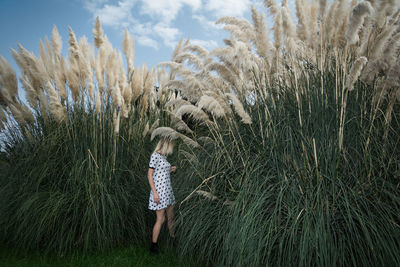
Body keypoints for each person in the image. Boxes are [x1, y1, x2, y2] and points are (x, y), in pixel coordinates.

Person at [147, 137, 177, 254]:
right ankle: (153, 246)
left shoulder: (163, 156)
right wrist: (154, 193)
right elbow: (149, 175)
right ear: (166, 145)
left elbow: (160, 172)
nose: (171, 149)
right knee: (161, 219)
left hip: (168, 191)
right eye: (170, 146)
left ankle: (173, 239)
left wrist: (170, 169)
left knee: (170, 217)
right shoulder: (155, 155)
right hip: (159, 192)